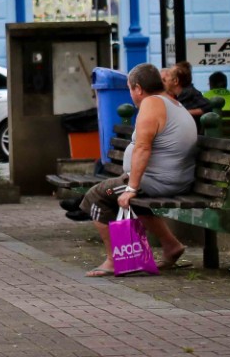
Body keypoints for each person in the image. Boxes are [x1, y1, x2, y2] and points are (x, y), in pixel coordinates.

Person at [79, 63, 196, 276]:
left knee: (96, 196)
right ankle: (171, 246)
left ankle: (114, 261)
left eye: (130, 89)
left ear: (138, 88)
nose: (131, 94)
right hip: (172, 178)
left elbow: (143, 147)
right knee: (125, 198)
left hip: (158, 181)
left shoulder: (151, 104)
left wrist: (132, 187)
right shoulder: (171, 102)